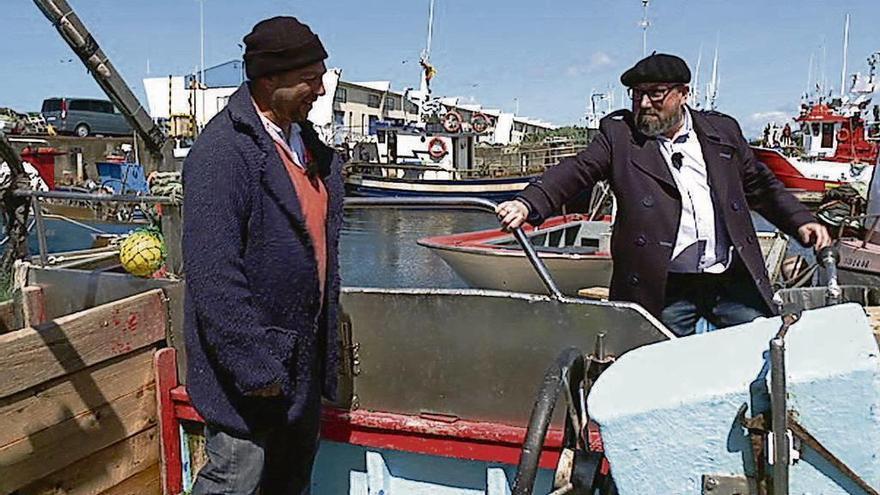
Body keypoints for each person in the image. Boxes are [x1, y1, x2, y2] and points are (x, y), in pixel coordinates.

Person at [497, 53, 831, 337]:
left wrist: (801, 221)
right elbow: (577, 170)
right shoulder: (620, 136)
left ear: (684, 93)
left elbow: (761, 186)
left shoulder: (722, 132)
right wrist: (528, 202)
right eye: (637, 94)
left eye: (656, 94)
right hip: (665, 287)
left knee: (763, 348)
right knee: (659, 370)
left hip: (730, 281)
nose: (644, 104)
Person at [183, 16, 344, 494]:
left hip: (300, 368)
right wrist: (256, 370)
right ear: (268, 79)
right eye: (309, 79)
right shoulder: (222, 153)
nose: (319, 89)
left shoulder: (305, 144)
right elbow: (213, 274)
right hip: (251, 376)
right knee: (234, 478)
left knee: (290, 482)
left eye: (322, 76)